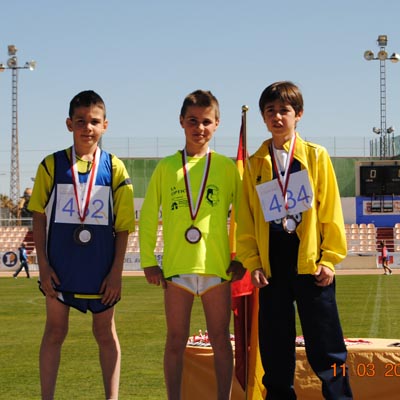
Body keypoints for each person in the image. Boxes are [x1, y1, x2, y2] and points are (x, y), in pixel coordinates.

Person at [237, 81, 353, 400]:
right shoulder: (255, 163)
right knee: (275, 350)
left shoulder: (315, 156)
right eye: (270, 111)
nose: (277, 117)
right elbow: (246, 220)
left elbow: (329, 209)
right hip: (272, 266)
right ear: (263, 117)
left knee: (328, 348)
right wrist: (253, 262)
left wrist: (329, 259)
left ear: (298, 114)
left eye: (284, 111)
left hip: (311, 263)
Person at [28, 90, 135, 400]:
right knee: (54, 332)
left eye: (94, 121)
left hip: (101, 270)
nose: (87, 127)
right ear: (68, 124)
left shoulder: (115, 167)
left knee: (105, 333)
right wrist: (43, 266)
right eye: (80, 121)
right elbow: (38, 215)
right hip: (61, 269)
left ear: (105, 125)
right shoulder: (52, 165)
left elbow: (124, 226)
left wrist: (116, 273)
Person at [139, 89, 244, 400]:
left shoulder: (226, 167)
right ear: (181, 122)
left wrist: (243, 258)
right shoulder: (166, 168)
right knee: (174, 341)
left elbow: (245, 215)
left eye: (206, 122)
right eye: (193, 121)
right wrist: (148, 260)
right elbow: (147, 217)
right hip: (177, 268)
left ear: (217, 124)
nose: (200, 128)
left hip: (216, 268)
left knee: (221, 342)